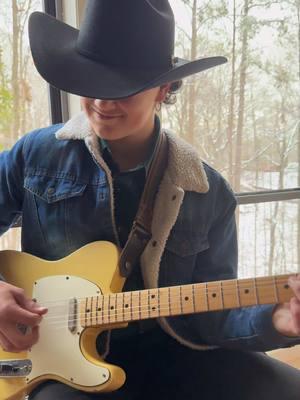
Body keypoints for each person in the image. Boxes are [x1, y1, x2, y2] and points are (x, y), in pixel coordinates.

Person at [0, 1, 300, 399]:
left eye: (122, 87)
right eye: (92, 81)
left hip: (178, 351)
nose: (103, 102)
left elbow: (213, 310)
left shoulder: (209, 192)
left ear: (164, 88)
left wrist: (277, 318)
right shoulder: (34, 155)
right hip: (55, 356)